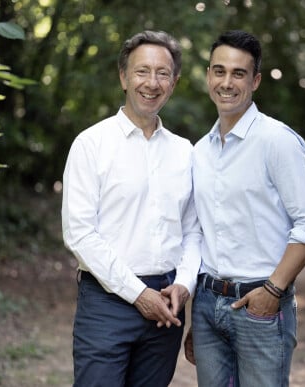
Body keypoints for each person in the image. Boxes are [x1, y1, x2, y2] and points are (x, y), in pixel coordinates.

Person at [185, 30, 305, 387]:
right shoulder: (199, 151)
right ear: (208, 76)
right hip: (207, 304)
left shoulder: (277, 141)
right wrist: (199, 308)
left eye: (238, 73)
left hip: (261, 304)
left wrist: (273, 291)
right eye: (219, 71)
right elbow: (198, 231)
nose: (227, 82)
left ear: (256, 80)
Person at [61, 30, 201, 387]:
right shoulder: (91, 144)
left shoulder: (186, 152)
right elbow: (79, 232)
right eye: (142, 71)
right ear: (123, 77)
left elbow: (194, 231)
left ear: (174, 82)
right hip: (107, 302)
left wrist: (184, 285)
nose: (151, 83)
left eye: (162, 73)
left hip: (168, 307)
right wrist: (137, 293)